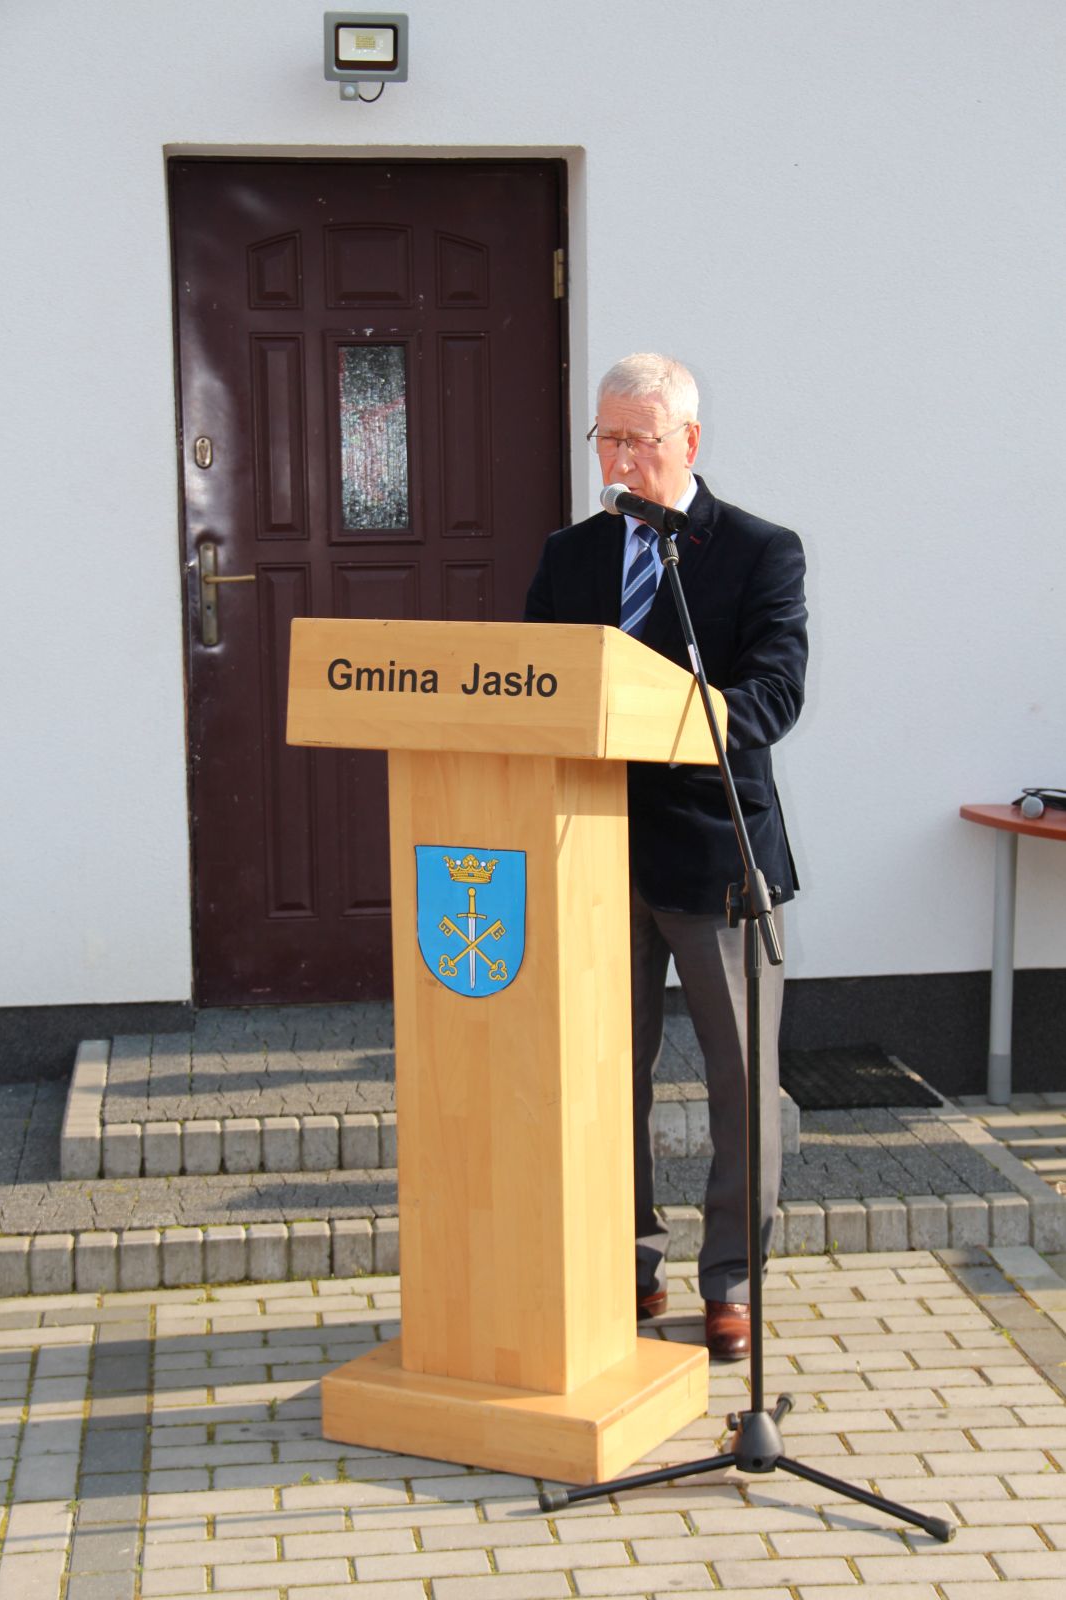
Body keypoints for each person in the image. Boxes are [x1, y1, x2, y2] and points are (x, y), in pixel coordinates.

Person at [524, 353, 807, 1360]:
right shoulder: (569, 555)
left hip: (716, 853)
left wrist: (672, 718)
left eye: (636, 441)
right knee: (610, 1077)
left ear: (687, 440)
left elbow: (773, 693)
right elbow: (536, 684)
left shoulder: (758, 550)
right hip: (592, 857)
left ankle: (730, 1282)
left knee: (740, 1084)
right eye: (603, 438)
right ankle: (627, 1265)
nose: (617, 459)